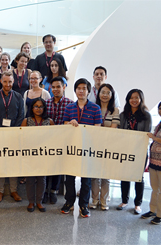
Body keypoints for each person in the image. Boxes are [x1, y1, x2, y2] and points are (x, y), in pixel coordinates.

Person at [62, 78, 102, 217]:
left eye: (84, 88)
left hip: (88, 149)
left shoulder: (95, 108)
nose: (81, 91)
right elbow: (65, 127)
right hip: (72, 149)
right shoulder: (69, 108)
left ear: (88, 91)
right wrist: (69, 123)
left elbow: (98, 129)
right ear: (75, 91)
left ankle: (84, 205)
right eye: (79, 88)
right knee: (70, 178)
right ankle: (69, 202)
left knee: (86, 180)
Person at [0, 71, 25, 203]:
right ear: (1, 82)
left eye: (10, 81)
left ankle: (13, 190)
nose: (7, 84)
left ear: (13, 82)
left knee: (13, 163)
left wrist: (13, 132)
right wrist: (0, 132)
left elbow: (21, 115)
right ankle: (0, 191)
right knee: (0, 163)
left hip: (14, 135)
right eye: (5, 81)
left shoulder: (18, 97)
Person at [117, 89, 152, 214]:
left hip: (140, 151)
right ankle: (124, 201)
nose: (134, 100)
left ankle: (138, 204)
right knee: (124, 175)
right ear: (128, 99)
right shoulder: (123, 115)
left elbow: (147, 133)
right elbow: (119, 133)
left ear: (141, 99)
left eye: (136, 98)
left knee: (138, 177)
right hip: (125, 150)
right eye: (131, 98)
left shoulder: (146, 115)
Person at [89, 83, 120, 211]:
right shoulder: (93, 108)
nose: (105, 95)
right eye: (103, 92)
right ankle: (95, 200)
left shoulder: (115, 110)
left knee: (106, 175)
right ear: (98, 94)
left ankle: (104, 200)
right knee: (95, 174)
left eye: (108, 92)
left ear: (112, 95)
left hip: (108, 145)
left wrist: (99, 130)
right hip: (94, 145)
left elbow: (113, 128)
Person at [44, 76, 74, 204]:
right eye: (53, 87)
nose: (55, 89)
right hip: (48, 140)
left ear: (64, 87)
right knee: (47, 166)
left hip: (63, 141)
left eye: (58, 87)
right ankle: (45, 191)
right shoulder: (46, 103)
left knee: (58, 167)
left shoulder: (70, 104)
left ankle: (54, 191)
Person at [21, 98, 54, 212]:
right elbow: (22, 138)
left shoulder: (50, 121)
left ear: (44, 108)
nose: (38, 109)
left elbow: (54, 138)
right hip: (30, 155)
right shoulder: (26, 121)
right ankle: (31, 202)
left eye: (41, 106)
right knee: (30, 179)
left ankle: (39, 202)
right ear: (32, 108)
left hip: (44, 155)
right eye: (36, 106)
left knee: (42, 179)